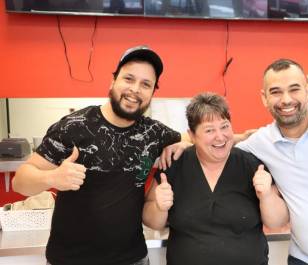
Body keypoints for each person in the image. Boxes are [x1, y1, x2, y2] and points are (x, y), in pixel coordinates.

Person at [160, 59, 308, 265]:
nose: (286, 100)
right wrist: (182, 143)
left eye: (294, 89)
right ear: (264, 98)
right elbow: (219, 142)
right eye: (275, 92)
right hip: (300, 260)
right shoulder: (263, 141)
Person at [12, 45, 183, 265]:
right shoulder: (73, 126)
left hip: (132, 259)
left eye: (145, 84)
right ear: (113, 82)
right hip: (70, 260)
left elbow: (199, 138)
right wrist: (52, 178)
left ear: (152, 93)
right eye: (129, 79)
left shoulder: (154, 132)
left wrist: (180, 145)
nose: (135, 89)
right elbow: (20, 181)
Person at [146, 92, 289, 265]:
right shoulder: (173, 165)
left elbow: (277, 222)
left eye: (224, 126)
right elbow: (152, 221)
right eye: (209, 130)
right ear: (191, 135)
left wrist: (266, 196)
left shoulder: (252, 164)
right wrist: (160, 207)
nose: (220, 136)